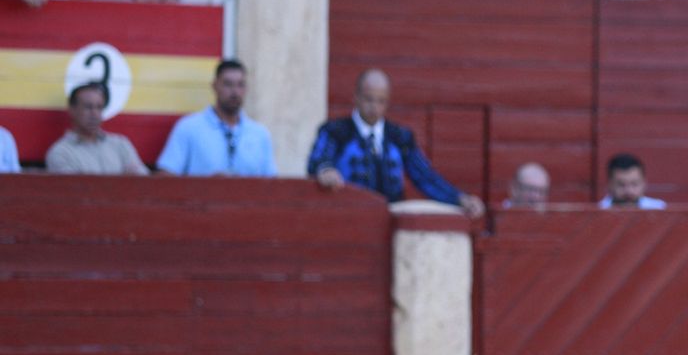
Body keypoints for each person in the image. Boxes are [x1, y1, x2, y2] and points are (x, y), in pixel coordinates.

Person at [308, 68, 486, 218]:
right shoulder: (335, 131)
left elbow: (425, 177)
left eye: (381, 101)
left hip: (389, 222)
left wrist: (459, 199)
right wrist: (326, 170)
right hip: (348, 218)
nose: (374, 107)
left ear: (387, 102)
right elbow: (318, 161)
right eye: (369, 99)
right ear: (356, 97)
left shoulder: (400, 137)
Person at [155, 59, 276, 177]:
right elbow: (165, 177)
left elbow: (272, 185)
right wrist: (208, 186)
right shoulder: (189, 128)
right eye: (228, 84)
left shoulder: (260, 134)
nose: (235, 92)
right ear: (214, 86)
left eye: (240, 85)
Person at [44, 82, 148, 175]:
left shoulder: (120, 144)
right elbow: (74, 192)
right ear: (72, 110)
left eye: (99, 107)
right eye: (88, 107)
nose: (94, 114)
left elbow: (142, 182)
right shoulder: (61, 152)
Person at [598, 152, 667, 209]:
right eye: (621, 184)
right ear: (609, 185)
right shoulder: (599, 211)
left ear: (644, 183)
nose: (629, 191)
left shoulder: (658, 208)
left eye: (634, 184)